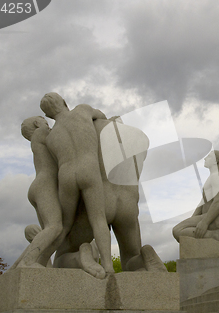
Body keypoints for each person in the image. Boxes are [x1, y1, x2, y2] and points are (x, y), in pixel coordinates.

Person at [52, 117, 166, 277]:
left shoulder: (96, 130)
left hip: (101, 198)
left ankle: (81, 255)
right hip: (128, 204)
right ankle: (144, 256)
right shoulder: (139, 138)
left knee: (62, 256)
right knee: (130, 259)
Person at [40, 92, 114, 277]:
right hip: (88, 168)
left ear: (48, 116)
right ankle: (108, 266)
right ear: (64, 102)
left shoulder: (50, 137)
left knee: (63, 226)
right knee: (98, 219)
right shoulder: (82, 110)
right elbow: (102, 118)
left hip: (66, 175)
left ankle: (42, 259)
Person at [9, 116, 63, 270]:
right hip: (45, 185)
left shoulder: (37, 141)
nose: (48, 123)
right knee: (55, 227)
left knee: (48, 234)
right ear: (38, 124)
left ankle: (20, 265)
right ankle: (28, 262)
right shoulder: (42, 134)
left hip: (39, 186)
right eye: (44, 121)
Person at [172, 150, 219, 243]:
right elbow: (203, 203)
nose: (205, 158)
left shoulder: (218, 176)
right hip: (208, 217)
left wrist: (205, 222)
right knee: (179, 231)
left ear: (216, 160)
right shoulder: (213, 176)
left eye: (209, 157)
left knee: (177, 230)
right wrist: (192, 218)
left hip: (214, 219)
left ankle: (213, 235)